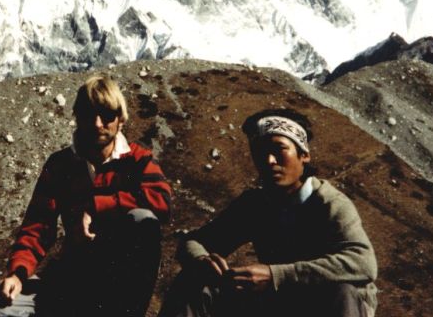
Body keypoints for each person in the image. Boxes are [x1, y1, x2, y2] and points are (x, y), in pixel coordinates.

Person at [159, 109, 377, 317]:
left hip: (328, 305)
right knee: (193, 278)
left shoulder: (329, 203)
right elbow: (194, 241)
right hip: (277, 303)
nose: (269, 161)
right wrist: (202, 260)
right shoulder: (256, 204)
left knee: (342, 290)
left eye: (279, 149)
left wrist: (274, 275)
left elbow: (363, 263)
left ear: (304, 155)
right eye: (261, 152)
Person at [0, 75, 172, 317]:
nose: (97, 124)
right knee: (3, 313)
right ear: (77, 117)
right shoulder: (60, 165)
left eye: (106, 115)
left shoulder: (137, 160)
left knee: (143, 219)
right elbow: (37, 228)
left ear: (120, 120)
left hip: (120, 283)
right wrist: (17, 273)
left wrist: (98, 205)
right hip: (72, 276)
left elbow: (162, 202)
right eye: (89, 114)